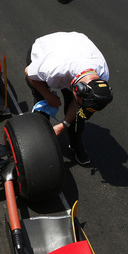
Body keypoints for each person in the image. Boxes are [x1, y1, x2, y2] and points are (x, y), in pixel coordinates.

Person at [25, 32, 113, 166]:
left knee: (80, 116)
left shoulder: (102, 75)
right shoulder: (54, 69)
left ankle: (75, 143)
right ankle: (40, 143)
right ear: (77, 90)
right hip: (47, 50)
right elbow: (28, 73)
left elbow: (78, 106)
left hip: (76, 48)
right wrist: (48, 96)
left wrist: (63, 124)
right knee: (42, 105)